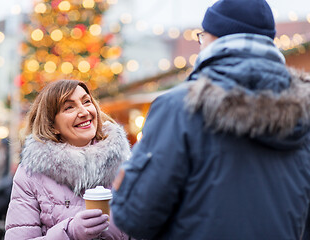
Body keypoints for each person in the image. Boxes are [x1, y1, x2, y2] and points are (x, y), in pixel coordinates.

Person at [110, 0, 310, 239]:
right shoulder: (304, 111)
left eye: (201, 36)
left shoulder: (180, 107)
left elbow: (134, 215)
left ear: (213, 38)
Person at [5, 79, 131, 239]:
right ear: (52, 126)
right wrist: (70, 233)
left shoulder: (125, 164)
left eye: (86, 101)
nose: (84, 112)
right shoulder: (30, 175)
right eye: (69, 107)